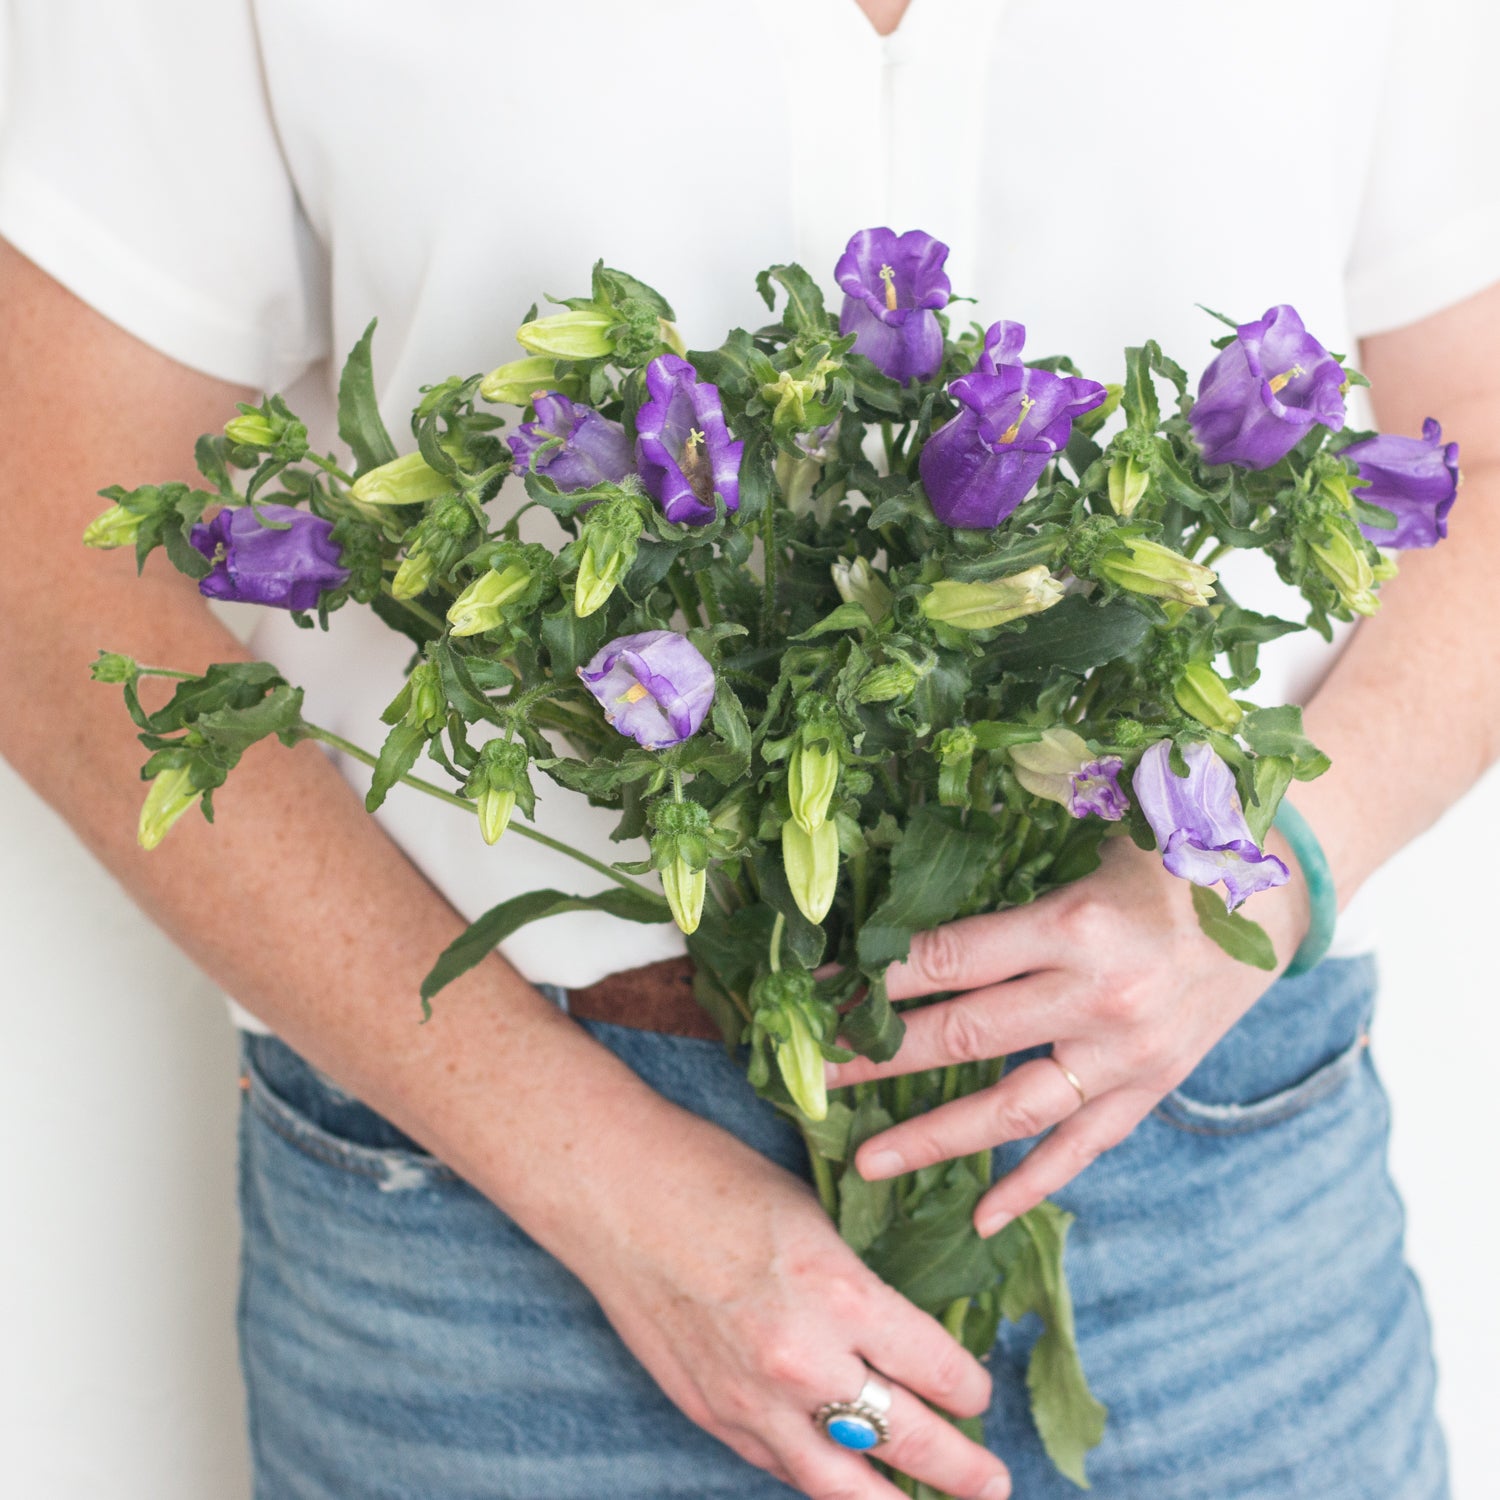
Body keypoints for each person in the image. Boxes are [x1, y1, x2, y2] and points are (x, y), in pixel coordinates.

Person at [1, 2, 1496, 1495]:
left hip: (1198, 1166)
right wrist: (594, 1176)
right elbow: (40, 544)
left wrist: (1270, 866)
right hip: (501, 1230)